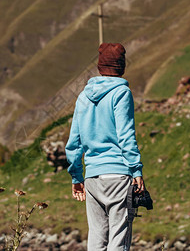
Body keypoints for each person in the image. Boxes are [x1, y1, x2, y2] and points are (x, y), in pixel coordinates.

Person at [65, 42, 145, 251]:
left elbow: (74, 143)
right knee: (118, 241)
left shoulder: (83, 97)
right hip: (118, 175)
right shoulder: (121, 93)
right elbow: (126, 135)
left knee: (96, 240)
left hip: (92, 178)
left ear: (99, 67)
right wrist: (136, 170)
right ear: (122, 67)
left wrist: (76, 177)